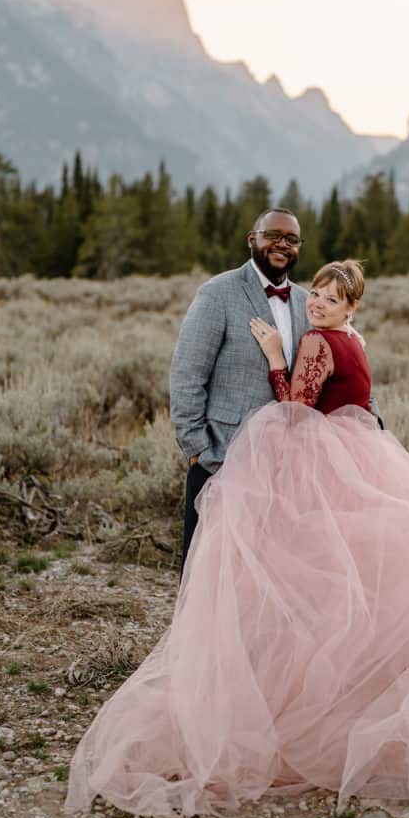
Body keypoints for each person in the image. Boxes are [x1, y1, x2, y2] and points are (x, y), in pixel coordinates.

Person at [66, 259, 409, 818]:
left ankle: (295, 704)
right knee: (349, 589)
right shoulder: (353, 338)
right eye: (318, 294)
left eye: (333, 299)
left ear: (350, 307)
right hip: (365, 462)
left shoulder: (317, 341)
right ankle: (346, 690)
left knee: (299, 576)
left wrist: (272, 359)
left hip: (324, 465)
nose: (319, 304)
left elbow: (293, 408)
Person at [169, 207, 309, 574]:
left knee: (267, 572)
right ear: (252, 240)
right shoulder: (218, 293)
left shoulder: (306, 302)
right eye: (273, 235)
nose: (282, 244)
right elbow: (187, 374)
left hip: (282, 463)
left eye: (291, 239)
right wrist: (197, 448)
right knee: (208, 571)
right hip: (222, 453)